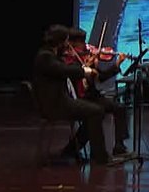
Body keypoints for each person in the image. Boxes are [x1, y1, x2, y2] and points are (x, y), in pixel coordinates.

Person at [32, 25, 119, 166]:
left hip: (59, 101)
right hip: (55, 105)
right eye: (66, 42)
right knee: (95, 111)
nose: (67, 45)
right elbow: (64, 70)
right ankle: (100, 158)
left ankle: (76, 151)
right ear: (59, 42)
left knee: (94, 111)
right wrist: (85, 70)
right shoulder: (45, 57)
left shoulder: (49, 55)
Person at [63, 27, 130, 158]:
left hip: (92, 96)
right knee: (95, 114)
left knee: (119, 108)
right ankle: (73, 150)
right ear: (73, 44)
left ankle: (119, 146)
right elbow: (75, 74)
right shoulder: (69, 60)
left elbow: (101, 77)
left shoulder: (87, 57)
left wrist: (116, 64)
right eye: (82, 43)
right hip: (78, 98)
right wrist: (86, 66)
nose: (85, 47)